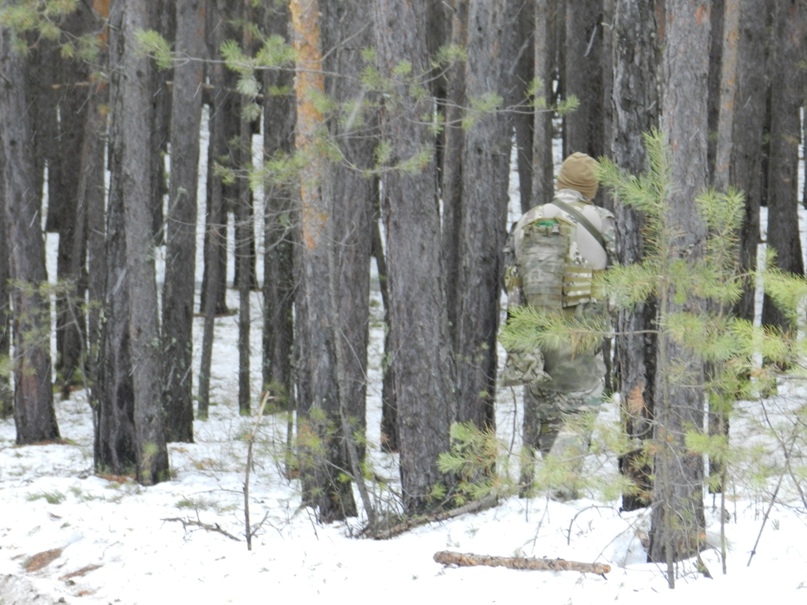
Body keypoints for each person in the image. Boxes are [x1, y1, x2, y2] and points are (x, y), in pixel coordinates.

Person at [502, 152, 617, 499]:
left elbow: (513, 276)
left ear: (561, 183)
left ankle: (545, 489)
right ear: (590, 187)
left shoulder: (528, 220)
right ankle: (561, 492)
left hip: (534, 332)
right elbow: (619, 278)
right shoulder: (601, 220)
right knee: (579, 411)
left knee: (549, 408)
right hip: (581, 332)